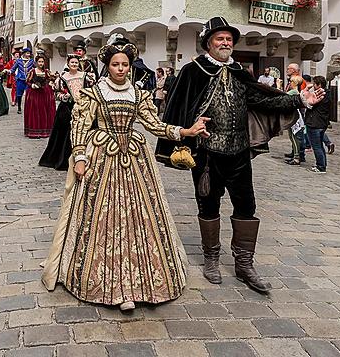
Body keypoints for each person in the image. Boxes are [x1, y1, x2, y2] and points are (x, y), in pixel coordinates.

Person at [156, 17, 324, 293]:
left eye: (229, 39)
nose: (225, 43)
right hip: (207, 155)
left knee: (246, 206)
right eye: (220, 38)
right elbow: (177, 107)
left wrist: (301, 100)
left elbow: (263, 98)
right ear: (208, 42)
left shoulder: (239, 71)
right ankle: (211, 258)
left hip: (239, 153)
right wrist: (185, 133)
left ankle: (244, 264)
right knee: (207, 205)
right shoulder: (192, 71)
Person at [41, 40, 209, 311]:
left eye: (125, 65)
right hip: (102, 156)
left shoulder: (139, 94)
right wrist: (80, 157)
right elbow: (80, 126)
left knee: (139, 218)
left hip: (134, 158)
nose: (120, 69)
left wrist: (185, 132)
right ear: (107, 66)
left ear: (130, 67)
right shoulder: (94, 93)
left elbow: (154, 125)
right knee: (101, 219)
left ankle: (140, 285)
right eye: (115, 64)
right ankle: (111, 286)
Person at [39, 54, 95, 170]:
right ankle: (66, 159)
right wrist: (64, 97)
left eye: (76, 63)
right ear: (68, 64)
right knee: (66, 133)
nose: (74, 65)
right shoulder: (63, 78)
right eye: (72, 63)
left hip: (84, 108)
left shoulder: (85, 76)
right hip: (68, 108)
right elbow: (56, 93)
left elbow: (93, 89)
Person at [24, 55, 56, 138]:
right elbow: (27, 81)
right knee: (35, 111)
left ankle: (45, 130)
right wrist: (32, 85)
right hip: (34, 94)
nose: (41, 63)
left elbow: (51, 79)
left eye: (42, 62)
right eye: (39, 62)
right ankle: (35, 131)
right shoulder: (32, 71)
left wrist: (51, 81)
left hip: (44, 93)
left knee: (45, 111)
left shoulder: (46, 71)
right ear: (36, 62)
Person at [305, 76, 331, 173]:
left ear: (319, 85)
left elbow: (309, 104)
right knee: (319, 145)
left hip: (314, 123)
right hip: (321, 123)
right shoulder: (327, 94)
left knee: (316, 146)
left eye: (315, 84)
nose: (313, 86)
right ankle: (322, 164)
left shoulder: (319, 95)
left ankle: (320, 166)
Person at [284, 76, 306, 166]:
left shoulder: (294, 91)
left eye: (291, 82)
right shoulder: (295, 91)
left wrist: (278, 85)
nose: (289, 83)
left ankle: (296, 157)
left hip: (294, 117)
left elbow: (282, 96)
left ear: (295, 83)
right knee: (292, 136)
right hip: (293, 115)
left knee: (294, 137)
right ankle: (295, 155)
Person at [10, 48, 35, 114]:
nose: (28, 55)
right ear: (24, 54)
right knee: (19, 94)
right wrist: (10, 72)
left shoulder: (31, 61)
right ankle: (19, 107)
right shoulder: (18, 61)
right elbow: (13, 69)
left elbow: (36, 68)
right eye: (27, 53)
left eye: (29, 53)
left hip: (28, 80)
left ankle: (29, 107)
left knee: (29, 94)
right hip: (20, 79)